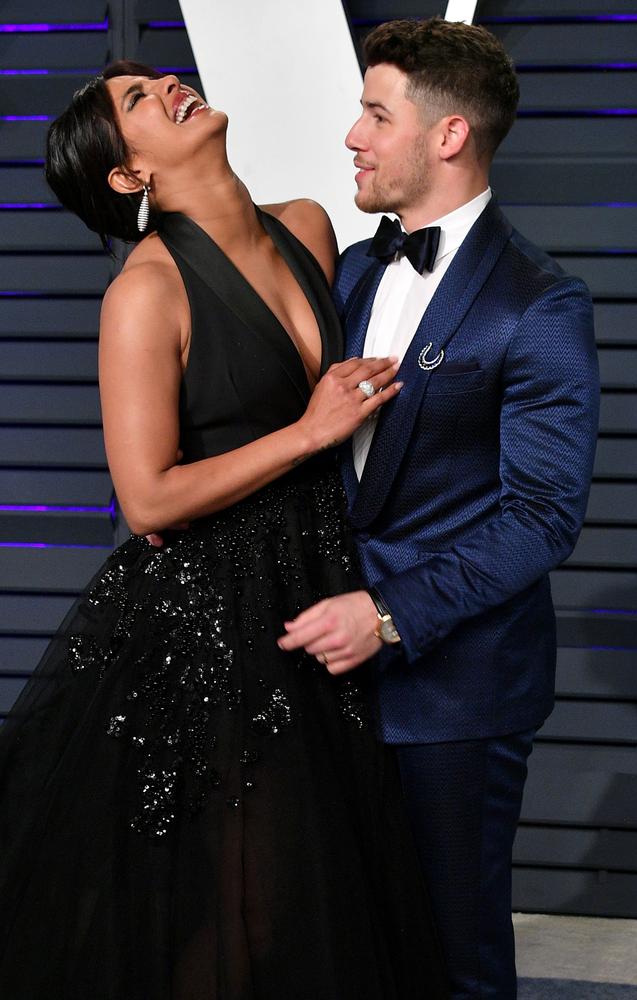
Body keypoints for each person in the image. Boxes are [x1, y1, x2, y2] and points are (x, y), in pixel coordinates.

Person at [0, 61, 449, 999]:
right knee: (241, 897)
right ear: (130, 177)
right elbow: (148, 500)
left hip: (319, 583)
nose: (169, 82)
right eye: (137, 100)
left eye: (156, 78)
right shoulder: (146, 293)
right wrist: (310, 431)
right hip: (209, 619)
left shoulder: (308, 229)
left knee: (314, 888)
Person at [279, 17, 600, 1000]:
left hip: (453, 689)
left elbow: (540, 516)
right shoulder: (353, 268)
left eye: (375, 112)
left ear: (448, 134)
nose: (351, 136)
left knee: (453, 961)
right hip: (318, 679)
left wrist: (383, 615)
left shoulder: (538, 303)